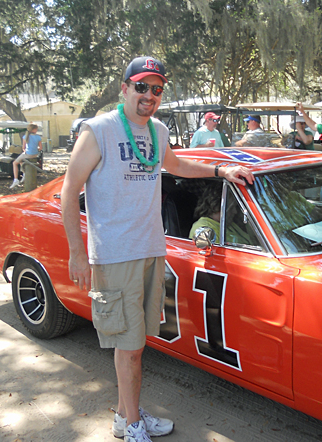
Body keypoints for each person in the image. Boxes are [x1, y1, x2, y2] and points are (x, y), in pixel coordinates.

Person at [60, 55, 254, 442]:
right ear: (125, 87)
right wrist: (77, 253)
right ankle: (132, 425)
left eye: (157, 88)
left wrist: (221, 171)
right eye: (142, 86)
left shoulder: (159, 130)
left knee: (138, 343)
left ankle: (125, 414)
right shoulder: (99, 130)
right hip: (115, 254)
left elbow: (177, 166)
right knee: (128, 347)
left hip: (151, 248)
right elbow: (69, 190)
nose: (149, 95)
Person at [10, 123, 42, 189]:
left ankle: (16, 179)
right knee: (21, 161)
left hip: (28, 154)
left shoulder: (25, 137)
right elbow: (40, 148)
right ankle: (24, 173)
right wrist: (36, 149)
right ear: (35, 129)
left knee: (15, 163)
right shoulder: (38, 137)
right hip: (35, 154)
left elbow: (23, 148)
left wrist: (26, 150)